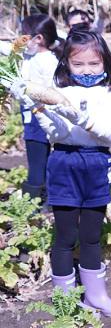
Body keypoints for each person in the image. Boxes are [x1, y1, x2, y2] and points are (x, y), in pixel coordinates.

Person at [10, 28, 111, 317]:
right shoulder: (59, 92)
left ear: (105, 63)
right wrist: (38, 110)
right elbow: (57, 135)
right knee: (64, 236)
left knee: (90, 236)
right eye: (78, 64)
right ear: (66, 64)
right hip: (63, 163)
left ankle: (96, 297)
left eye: (93, 63)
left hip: (96, 165)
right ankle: (64, 300)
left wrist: (82, 119)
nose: (86, 70)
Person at [16, 14, 62, 204]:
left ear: (39, 38)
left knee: (37, 161)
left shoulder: (47, 62)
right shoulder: (32, 56)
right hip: (33, 115)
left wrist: (19, 90)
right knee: (39, 159)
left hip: (40, 116)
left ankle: (35, 205)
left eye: (24, 35)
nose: (20, 39)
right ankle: (44, 201)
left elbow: (49, 93)